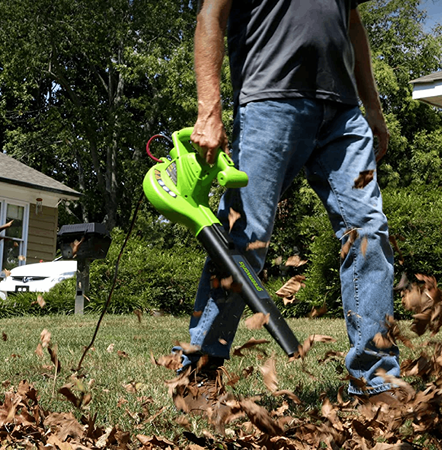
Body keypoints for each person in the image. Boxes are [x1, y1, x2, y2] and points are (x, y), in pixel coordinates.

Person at [178, 0, 400, 402]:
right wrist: (209, 110)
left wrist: (374, 107)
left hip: (345, 116)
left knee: (369, 229)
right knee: (243, 240)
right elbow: (210, 15)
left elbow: (352, 25)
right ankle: (200, 370)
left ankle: (374, 380)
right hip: (268, 104)